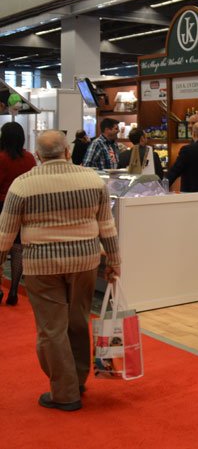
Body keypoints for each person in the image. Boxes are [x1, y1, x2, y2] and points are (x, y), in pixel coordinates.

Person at [0, 130, 120, 411]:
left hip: (41, 266)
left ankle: (65, 392)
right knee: (78, 321)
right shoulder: (92, 180)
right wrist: (114, 261)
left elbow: (5, 233)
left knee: (51, 328)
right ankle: (77, 380)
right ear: (67, 152)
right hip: (85, 262)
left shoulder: (23, 185)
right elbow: (107, 226)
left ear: (38, 156)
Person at [0, 122, 37, 305]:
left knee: (1, 247)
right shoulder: (30, 158)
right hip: (24, 208)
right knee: (17, 249)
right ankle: (14, 290)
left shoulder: (1, 158)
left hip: (2, 206)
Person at [166, 121, 198, 192]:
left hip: (191, 194)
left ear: (193, 133)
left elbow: (175, 171)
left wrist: (162, 187)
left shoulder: (187, 150)